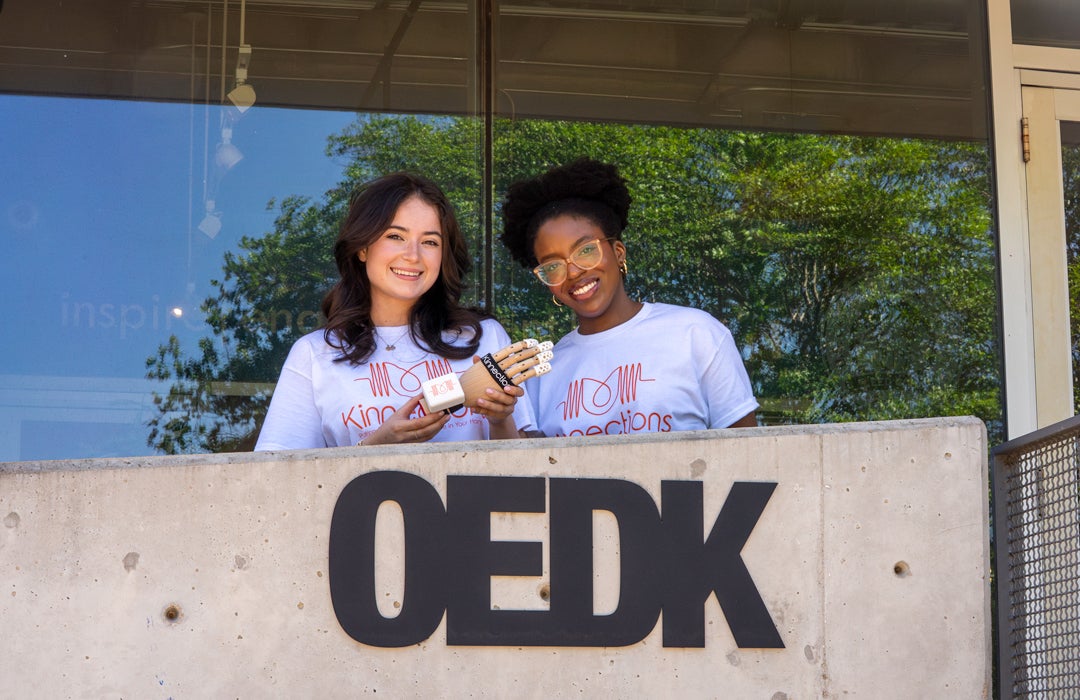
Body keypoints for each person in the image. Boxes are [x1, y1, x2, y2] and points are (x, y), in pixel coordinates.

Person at [255, 172, 535, 450]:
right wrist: (375, 446)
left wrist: (500, 419)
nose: (413, 255)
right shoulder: (315, 354)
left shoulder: (483, 337)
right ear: (363, 248)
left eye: (430, 242)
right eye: (395, 236)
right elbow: (278, 475)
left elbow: (526, 472)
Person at [499, 157, 758, 437]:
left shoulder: (695, 334)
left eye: (586, 250)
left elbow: (748, 455)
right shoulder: (544, 373)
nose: (573, 272)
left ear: (618, 252)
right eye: (553, 266)